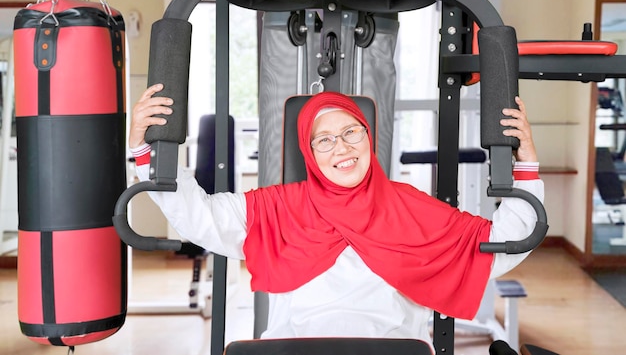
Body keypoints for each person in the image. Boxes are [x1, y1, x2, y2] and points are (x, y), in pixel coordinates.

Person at [129, 84, 543, 351]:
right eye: (324, 139)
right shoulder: (276, 209)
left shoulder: (412, 208)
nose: (341, 148)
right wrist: (146, 152)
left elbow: (503, 244)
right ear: (309, 152)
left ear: (369, 136)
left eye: (351, 132)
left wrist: (526, 163)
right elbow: (198, 215)